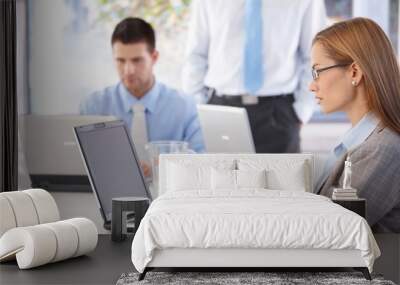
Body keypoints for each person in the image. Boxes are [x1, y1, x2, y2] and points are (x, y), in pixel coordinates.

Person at [182, 0, 327, 153]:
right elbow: (196, 55)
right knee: (220, 176)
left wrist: (302, 110)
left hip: (279, 113)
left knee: (283, 176)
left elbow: (315, 55)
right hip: (220, 110)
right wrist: (197, 106)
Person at [310, 18, 400, 233]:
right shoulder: (360, 138)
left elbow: (332, 231)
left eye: (317, 72)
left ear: (354, 73)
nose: (312, 85)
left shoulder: (381, 149)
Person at [80, 17, 205, 167]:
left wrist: (165, 165)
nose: (128, 70)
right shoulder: (93, 107)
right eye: (120, 60)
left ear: (154, 57)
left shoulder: (184, 107)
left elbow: (201, 160)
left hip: (166, 188)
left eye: (137, 60)